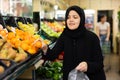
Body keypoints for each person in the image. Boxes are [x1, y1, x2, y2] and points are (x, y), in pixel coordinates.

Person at [42, 6, 106, 80]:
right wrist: (45, 48)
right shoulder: (64, 35)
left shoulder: (92, 37)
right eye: (68, 17)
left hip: (90, 77)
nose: (71, 20)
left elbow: (99, 64)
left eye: (75, 17)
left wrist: (88, 65)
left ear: (81, 19)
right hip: (70, 77)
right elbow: (53, 55)